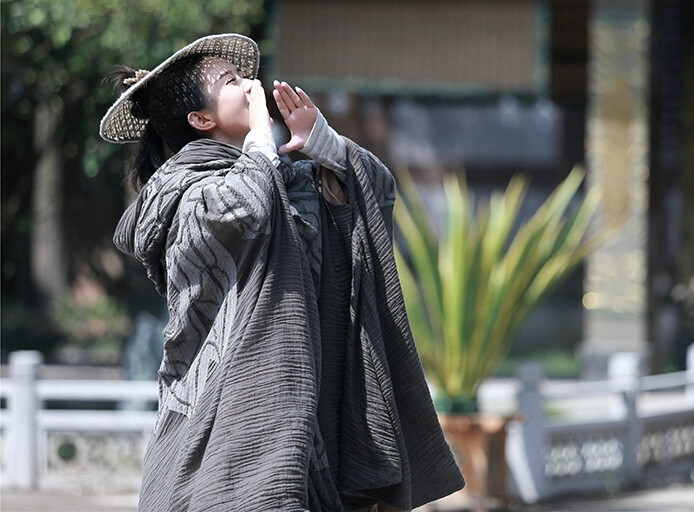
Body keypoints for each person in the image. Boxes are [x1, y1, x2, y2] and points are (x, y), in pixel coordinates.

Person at [101, 34, 464, 511]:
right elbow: (246, 208)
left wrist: (324, 143)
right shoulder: (181, 196)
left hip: (305, 407)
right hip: (223, 414)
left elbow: (374, 191)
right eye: (232, 82)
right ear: (201, 119)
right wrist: (259, 141)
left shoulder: (286, 175)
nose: (251, 86)